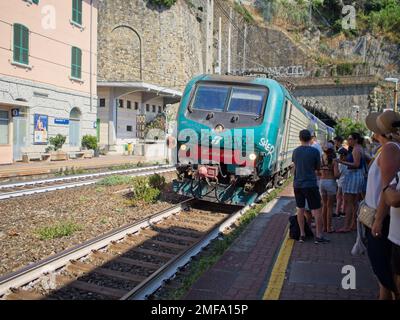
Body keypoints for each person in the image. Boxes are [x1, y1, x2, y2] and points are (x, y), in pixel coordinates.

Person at [363, 112, 399, 300]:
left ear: (379, 132)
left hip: (381, 218)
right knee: (385, 270)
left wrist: (378, 220)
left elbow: (388, 189)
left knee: (383, 268)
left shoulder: (390, 149)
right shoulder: (386, 148)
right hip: (382, 217)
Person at [292, 129, 329, 244]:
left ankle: (302, 234)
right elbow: (318, 168)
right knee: (317, 210)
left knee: (300, 209)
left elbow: (295, 166)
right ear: (311, 139)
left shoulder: (295, 151)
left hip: (297, 184)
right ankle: (318, 236)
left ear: (300, 138)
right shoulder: (314, 152)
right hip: (311, 184)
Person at [337, 132, 366, 232]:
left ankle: (347, 226)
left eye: (350, 139)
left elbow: (356, 164)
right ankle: (353, 224)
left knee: (349, 202)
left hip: (354, 176)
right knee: (354, 203)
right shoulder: (358, 148)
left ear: (355, 140)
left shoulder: (356, 149)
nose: (348, 140)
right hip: (357, 176)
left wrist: (341, 162)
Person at [320, 142, 340, 232]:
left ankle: (323, 227)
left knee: (324, 205)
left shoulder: (321, 158)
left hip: (322, 182)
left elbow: (317, 172)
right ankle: (329, 227)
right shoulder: (334, 160)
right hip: (331, 182)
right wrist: (340, 174)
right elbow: (336, 175)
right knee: (330, 206)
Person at [336, 148, 348, 218]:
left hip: (342, 182)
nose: (339, 156)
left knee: (339, 197)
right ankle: (342, 211)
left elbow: (339, 174)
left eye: (340, 154)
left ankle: (339, 212)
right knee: (343, 197)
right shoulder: (346, 162)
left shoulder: (342, 164)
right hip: (343, 181)